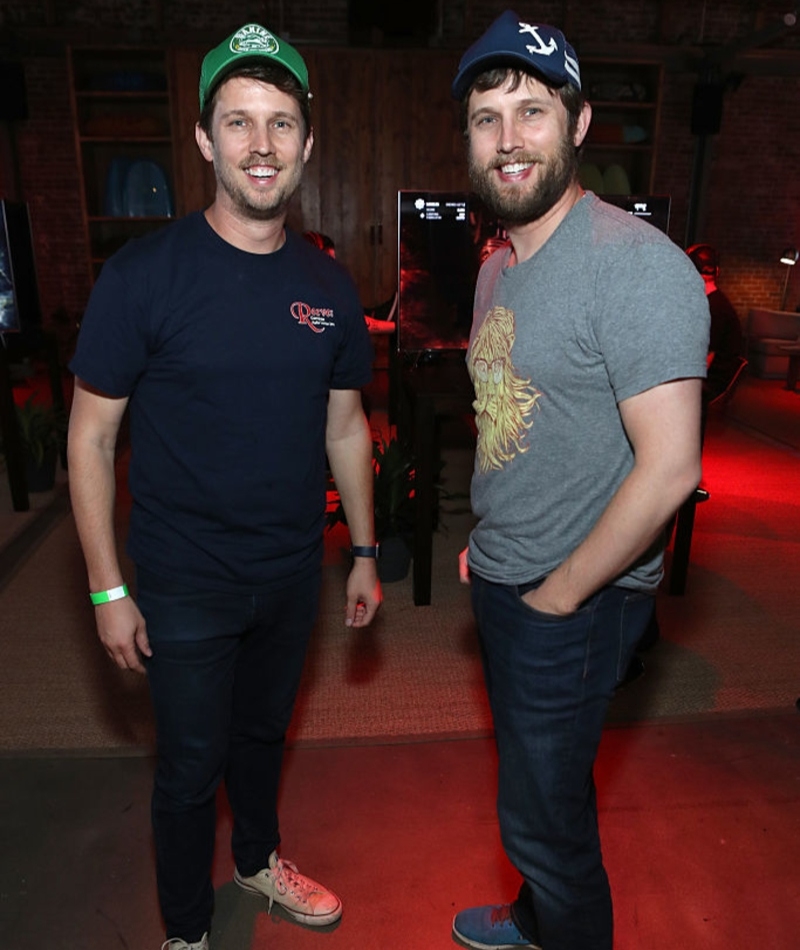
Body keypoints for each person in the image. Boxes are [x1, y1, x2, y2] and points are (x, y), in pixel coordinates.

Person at [67, 23, 382, 950]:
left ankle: (256, 860)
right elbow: (89, 439)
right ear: (204, 138)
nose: (261, 145)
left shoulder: (329, 286)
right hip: (183, 578)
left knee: (261, 740)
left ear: (306, 143)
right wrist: (106, 586)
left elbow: (345, 427)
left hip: (290, 572)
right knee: (189, 767)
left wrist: (362, 551)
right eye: (238, 123)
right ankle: (189, 932)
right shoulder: (142, 278)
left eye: (281, 124)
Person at [449, 11, 710, 950]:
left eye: (532, 110)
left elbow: (672, 467)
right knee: (535, 792)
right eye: (487, 118)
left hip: (577, 601)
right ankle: (530, 921)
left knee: (545, 826)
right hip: (512, 575)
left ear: (580, 124)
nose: (509, 138)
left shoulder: (637, 268)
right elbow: (513, 421)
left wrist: (557, 596)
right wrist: (491, 537)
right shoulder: (497, 267)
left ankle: (552, 921)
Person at [686, 243, 745, 404]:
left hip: (711, 383)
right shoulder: (712, 302)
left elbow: (704, 362)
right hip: (710, 376)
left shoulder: (714, 309)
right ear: (717, 272)